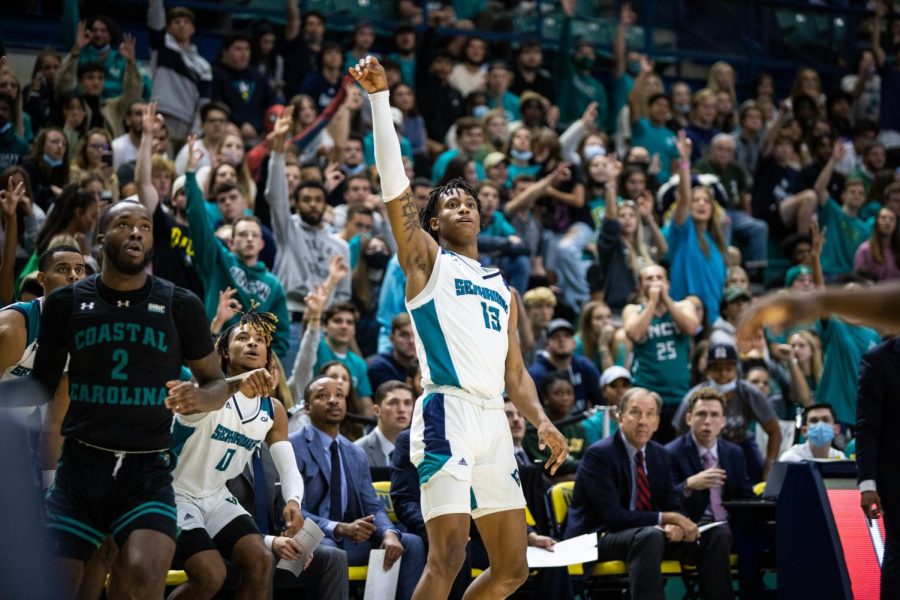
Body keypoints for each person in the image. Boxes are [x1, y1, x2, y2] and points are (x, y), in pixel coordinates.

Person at [351, 56, 568, 600]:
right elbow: (394, 185)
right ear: (432, 223)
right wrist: (381, 101)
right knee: (447, 557)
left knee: (513, 569)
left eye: (469, 201)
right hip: (445, 411)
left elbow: (515, 372)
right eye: (450, 202)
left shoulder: (504, 286)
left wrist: (541, 421)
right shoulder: (426, 261)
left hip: (495, 419)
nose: (463, 206)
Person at [0, 199, 262, 598]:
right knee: (56, 588)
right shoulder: (66, 303)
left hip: (147, 471)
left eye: (144, 225)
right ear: (102, 239)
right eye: (124, 224)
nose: (137, 231)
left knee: (142, 573)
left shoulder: (181, 304)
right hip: (81, 467)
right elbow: (40, 385)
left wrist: (207, 394)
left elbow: (212, 383)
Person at [169, 309, 301, 599]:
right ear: (225, 352)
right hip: (172, 493)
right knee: (210, 575)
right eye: (243, 337)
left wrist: (293, 500)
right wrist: (235, 385)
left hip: (215, 495)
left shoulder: (273, 409)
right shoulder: (203, 389)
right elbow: (194, 401)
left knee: (261, 561)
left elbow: (288, 468)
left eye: (260, 340)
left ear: (268, 357)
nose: (253, 343)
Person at [565, 387, 734, 600]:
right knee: (649, 536)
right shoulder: (599, 455)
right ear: (620, 417)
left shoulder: (659, 454)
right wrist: (667, 518)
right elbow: (613, 517)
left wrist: (676, 524)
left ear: (656, 422)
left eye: (650, 414)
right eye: (635, 412)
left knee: (714, 537)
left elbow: (671, 502)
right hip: (599, 538)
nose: (643, 421)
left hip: (648, 537)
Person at [290, 376, 426, 600]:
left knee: (410, 542)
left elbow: (373, 506)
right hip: (313, 536)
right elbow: (295, 511)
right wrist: (340, 527)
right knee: (331, 551)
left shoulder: (355, 452)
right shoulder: (292, 446)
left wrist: (389, 533)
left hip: (350, 538)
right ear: (306, 408)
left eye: (339, 395)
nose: (334, 400)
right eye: (323, 396)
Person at [183, 136, 290, 361]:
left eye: (254, 235)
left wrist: (268, 363)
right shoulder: (218, 261)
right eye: (242, 234)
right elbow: (198, 221)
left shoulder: (274, 285)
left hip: (255, 363)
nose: (249, 239)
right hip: (216, 353)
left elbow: (281, 337)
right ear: (231, 241)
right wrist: (191, 175)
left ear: (262, 243)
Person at [674, 343, 781, 482]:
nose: (723, 374)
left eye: (728, 368)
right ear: (708, 371)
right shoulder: (694, 397)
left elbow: (774, 431)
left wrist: (769, 465)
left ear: (736, 370)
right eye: (717, 369)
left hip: (741, 444)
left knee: (758, 482)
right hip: (704, 448)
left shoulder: (750, 393)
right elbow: (680, 434)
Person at [624, 264, 698, 442]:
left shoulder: (684, 305)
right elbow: (634, 333)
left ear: (668, 283)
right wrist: (651, 303)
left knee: (677, 449)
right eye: (649, 278)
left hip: (679, 394)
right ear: (640, 286)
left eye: (659, 277)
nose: (655, 282)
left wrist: (666, 300)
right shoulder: (633, 310)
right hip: (646, 394)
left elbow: (692, 328)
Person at [857, 333, 900, 599]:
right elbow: (866, 426)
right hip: (896, 478)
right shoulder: (878, 360)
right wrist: (867, 483)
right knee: (899, 550)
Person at [148, 1, 212, 145]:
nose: (182, 25)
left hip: (186, 122)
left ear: (193, 28)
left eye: (186, 22)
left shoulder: (203, 66)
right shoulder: (161, 46)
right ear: (169, 28)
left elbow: (204, 102)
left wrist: (195, 131)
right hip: (160, 113)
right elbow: (155, 19)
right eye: (176, 22)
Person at [528, 318, 602, 412]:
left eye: (567, 336)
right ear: (546, 344)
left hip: (581, 423)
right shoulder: (536, 374)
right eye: (556, 336)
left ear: (574, 343)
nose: (562, 340)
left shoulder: (585, 366)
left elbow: (600, 403)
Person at [355, 380, 414, 469]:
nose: (402, 409)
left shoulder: (420, 450)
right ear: (377, 410)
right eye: (393, 402)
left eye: (407, 403)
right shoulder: (357, 451)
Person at [368, 313, 418, 395]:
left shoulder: (424, 366)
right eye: (404, 335)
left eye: (415, 335)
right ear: (392, 338)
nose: (411, 341)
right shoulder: (379, 368)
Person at [780, 403, 846, 462]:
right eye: (814, 421)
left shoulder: (841, 459)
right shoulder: (790, 459)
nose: (820, 424)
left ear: (836, 429)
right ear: (804, 431)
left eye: (825, 420)